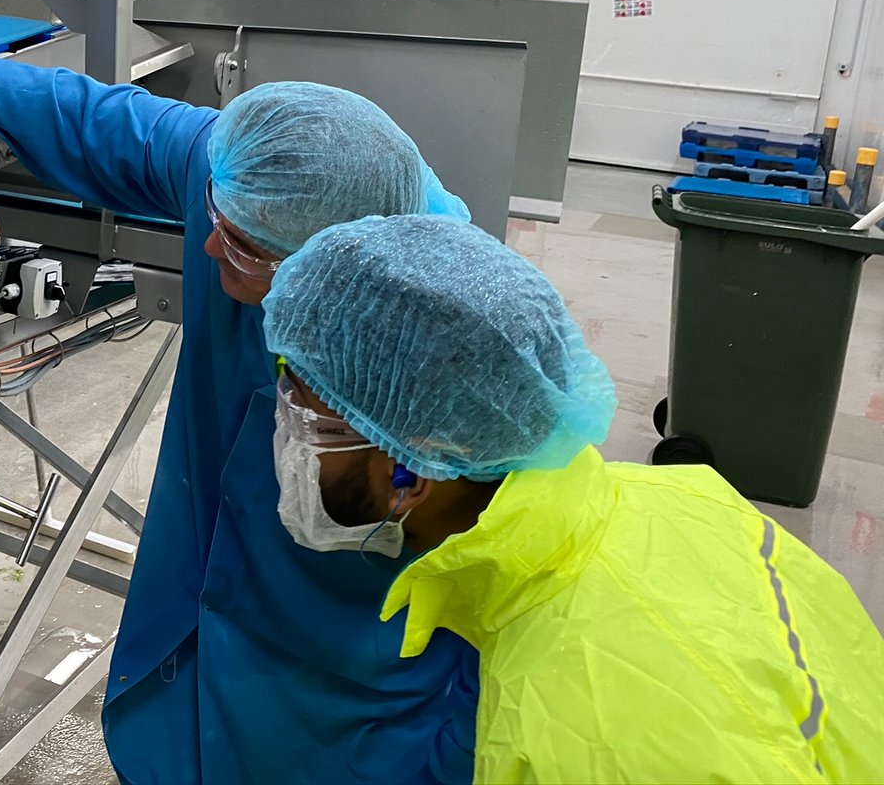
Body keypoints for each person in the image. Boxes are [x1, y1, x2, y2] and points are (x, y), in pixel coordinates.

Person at [0, 24, 479, 784]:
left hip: (357, 728)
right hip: (200, 670)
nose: (208, 247)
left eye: (243, 248)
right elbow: (84, 114)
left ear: (330, 271)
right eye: (213, 219)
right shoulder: (259, 180)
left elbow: (516, 616)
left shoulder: (466, 361)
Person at [264, 215, 884, 783]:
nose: (287, 440)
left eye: (308, 422)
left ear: (410, 473)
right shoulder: (685, 497)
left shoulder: (569, 736)